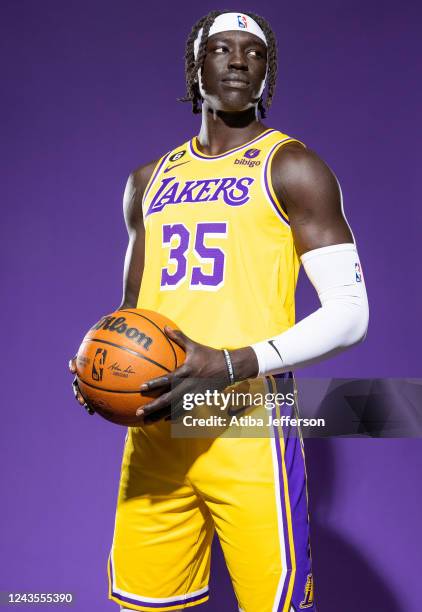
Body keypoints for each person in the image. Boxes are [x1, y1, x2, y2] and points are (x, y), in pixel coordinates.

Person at [70, 10, 369, 612]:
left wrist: (232, 362)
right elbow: (135, 310)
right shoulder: (148, 180)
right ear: (196, 64)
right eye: (222, 49)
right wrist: (99, 365)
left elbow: (350, 313)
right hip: (158, 426)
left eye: (254, 52)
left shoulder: (293, 167)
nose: (238, 61)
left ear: (267, 72)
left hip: (249, 424)